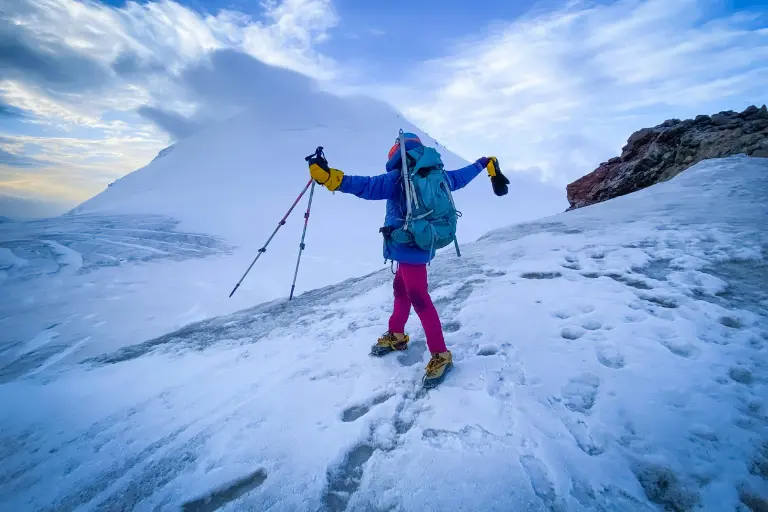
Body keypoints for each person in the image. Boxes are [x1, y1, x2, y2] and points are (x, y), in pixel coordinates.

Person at [307, 132, 504, 388]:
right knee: (401, 289)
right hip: (423, 241)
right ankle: (397, 334)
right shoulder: (439, 176)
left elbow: (365, 185)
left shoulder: (397, 179)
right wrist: (483, 162)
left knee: (419, 297)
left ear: (396, 154)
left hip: (407, 243)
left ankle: (440, 354)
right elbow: (463, 176)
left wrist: (329, 178)